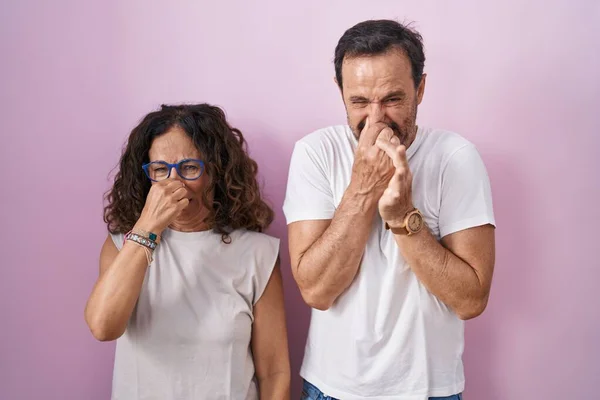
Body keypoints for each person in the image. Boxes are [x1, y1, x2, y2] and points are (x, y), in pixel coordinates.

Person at [283, 19, 496, 400]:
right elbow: (316, 291)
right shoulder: (315, 153)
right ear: (341, 92)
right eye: (360, 102)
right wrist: (363, 189)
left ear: (421, 88)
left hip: (430, 391)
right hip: (331, 389)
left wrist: (402, 218)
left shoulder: (455, 158)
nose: (377, 118)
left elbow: (471, 300)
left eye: (393, 99)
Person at [85, 103, 291, 400]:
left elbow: (274, 372)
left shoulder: (258, 254)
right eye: (159, 170)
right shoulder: (121, 246)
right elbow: (103, 327)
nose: (173, 183)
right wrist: (147, 227)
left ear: (216, 172)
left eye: (189, 167)